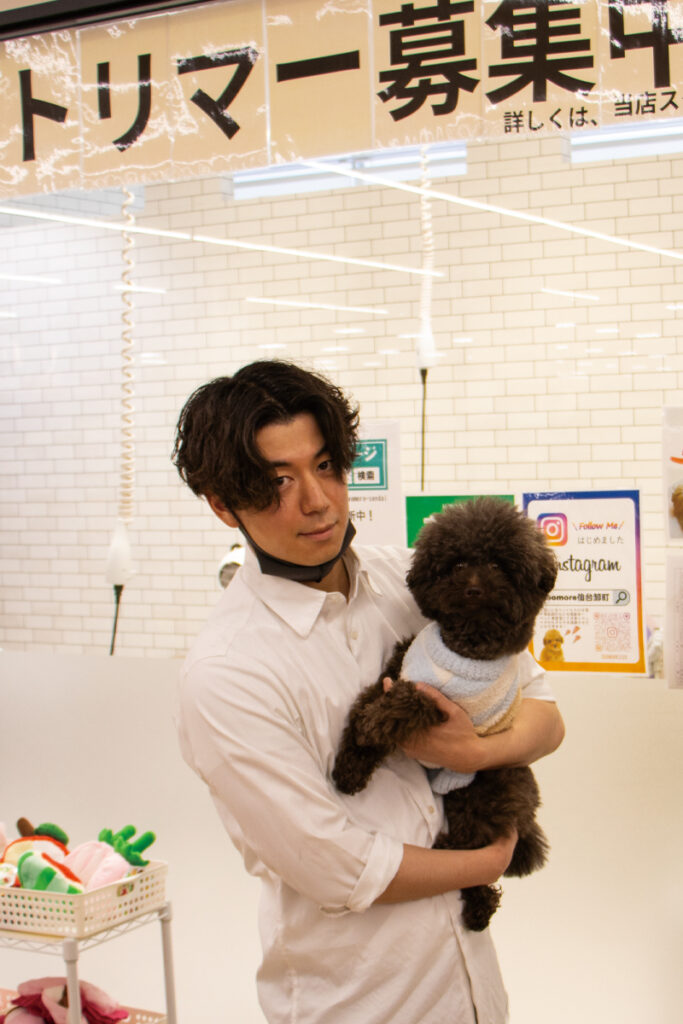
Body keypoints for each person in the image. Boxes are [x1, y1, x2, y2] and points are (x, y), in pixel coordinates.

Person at [173, 360, 564, 1024]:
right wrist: (486, 861)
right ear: (221, 503)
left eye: (325, 466)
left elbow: (543, 713)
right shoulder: (227, 673)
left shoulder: (408, 581)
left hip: (473, 991)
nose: (317, 501)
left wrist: (474, 753)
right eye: (277, 481)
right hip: (360, 1004)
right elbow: (339, 867)